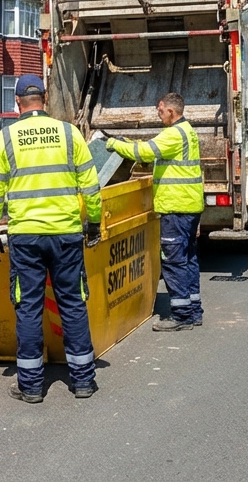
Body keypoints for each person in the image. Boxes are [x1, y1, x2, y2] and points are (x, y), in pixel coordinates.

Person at [0, 74, 102, 403]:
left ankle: (31, 385)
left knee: (29, 309)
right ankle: (83, 381)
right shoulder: (69, 134)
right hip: (65, 235)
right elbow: (90, 186)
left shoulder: (5, 139)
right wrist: (93, 223)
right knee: (73, 304)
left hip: (26, 238)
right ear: (45, 98)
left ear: (17, 102)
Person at [106, 92, 204, 331]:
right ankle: (193, 310)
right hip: (189, 206)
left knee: (173, 261)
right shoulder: (187, 130)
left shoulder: (173, 134)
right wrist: (127, 142)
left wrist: (112, 144)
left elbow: (144, 153)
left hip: (176, 207)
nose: (158, 114)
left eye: (160, 110)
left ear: (171, 111)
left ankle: (181, 316)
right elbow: (149, 149)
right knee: (188, 258)